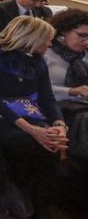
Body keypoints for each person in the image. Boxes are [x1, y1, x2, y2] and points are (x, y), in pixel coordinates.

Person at [0, 17, 67, 218]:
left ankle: (40, 204)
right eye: (46, 40)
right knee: (23, 143)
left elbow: (47, 97)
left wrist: (59, 124)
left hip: (27, 111)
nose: (50, 44)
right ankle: (21, 199)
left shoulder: (36, 59)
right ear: (31, 38)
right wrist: (33, 130)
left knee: (51, 144)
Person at [44, 9, 88, 165]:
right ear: (62, 33)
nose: (87, 42)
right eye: (82, 36)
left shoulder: (81, 57)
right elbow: (37, 90)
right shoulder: (45, 54)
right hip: (56, 108)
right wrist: (71, 91)